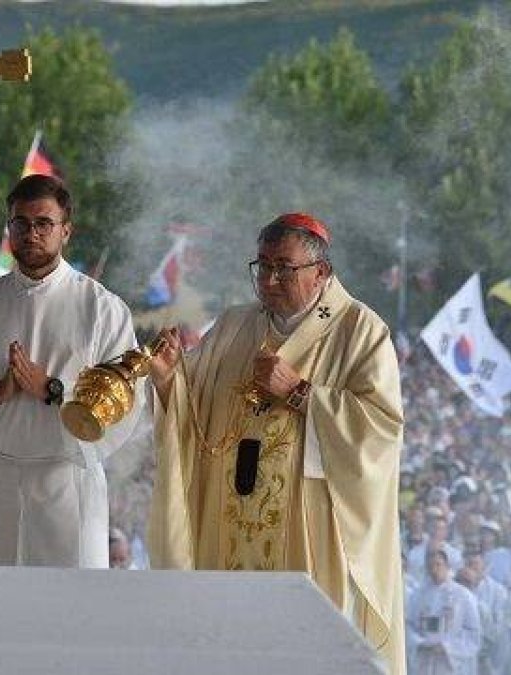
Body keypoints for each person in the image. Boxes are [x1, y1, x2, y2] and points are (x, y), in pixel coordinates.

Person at [145, 213, 406, 674]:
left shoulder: (359, 331)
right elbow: (193, 411)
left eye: (284, 268)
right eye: (261, 266)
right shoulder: (234, 326)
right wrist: (169, 381)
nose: (268, 279)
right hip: (228, 519)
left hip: (308, 524)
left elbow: (381, 429)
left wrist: (301, 393)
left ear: (320, 272)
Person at [0, 174, 143, 569]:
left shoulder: (101, 308)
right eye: (20, 223)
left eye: (44, 223)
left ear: (66, 230)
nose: (31, 233)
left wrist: (53, 389)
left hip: (65, 480)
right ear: (9, 229)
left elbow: (126, 398)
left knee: (65, 613)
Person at [406, 549, 482, 674]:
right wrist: (419, 642)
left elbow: (473, 633)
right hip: (424, 660)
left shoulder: (463, 595)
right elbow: (408, 625)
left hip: (450, 663)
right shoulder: (418, 595)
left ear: (447, 566)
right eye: (430, 566)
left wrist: (447, 647)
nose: (434, 570)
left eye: (438, 565)